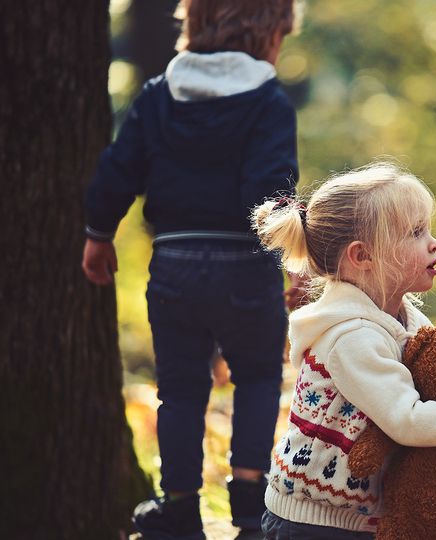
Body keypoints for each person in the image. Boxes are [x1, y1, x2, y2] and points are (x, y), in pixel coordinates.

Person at [81, 1, 302, 538]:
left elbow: (118, 168)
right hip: (247, 265)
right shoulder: (268, 100)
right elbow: (270, 190)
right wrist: (297, 257)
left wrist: (97, 233)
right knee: (256, 378)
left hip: (176, 263)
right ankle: (250, 506)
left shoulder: (159, 94)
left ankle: (178, 508)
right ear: (270, 32)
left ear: (196, 22)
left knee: (179, 390)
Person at [252, 162, 436, 539]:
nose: (433, 242)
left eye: (427, 228)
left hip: (367, 517)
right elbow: (408, 421)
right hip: (317, 523)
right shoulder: (351, 337)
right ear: (362, 256)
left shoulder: (411, 323)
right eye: (415, 233)